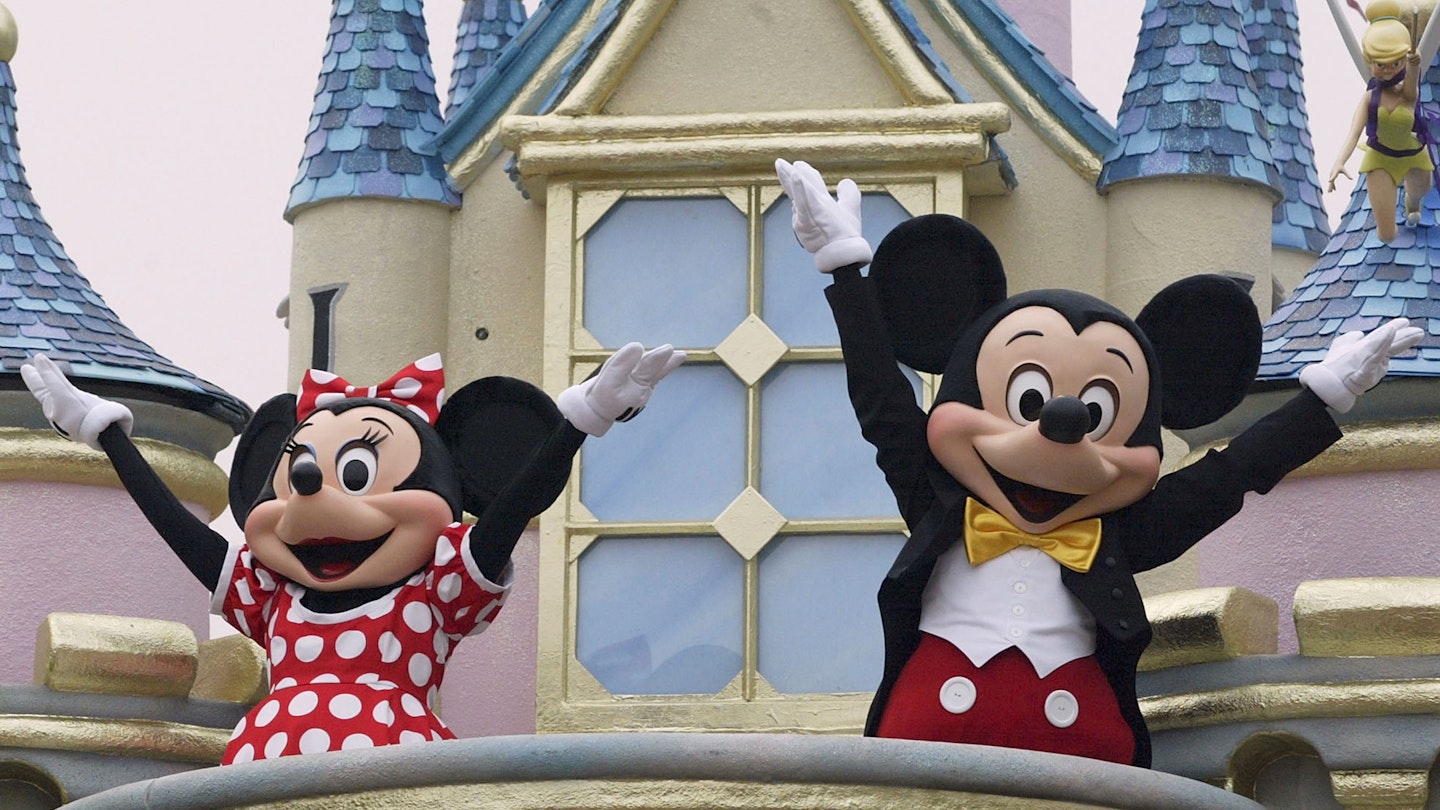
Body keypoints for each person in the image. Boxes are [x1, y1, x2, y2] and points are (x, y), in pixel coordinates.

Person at [1329, 0, 1435, 243]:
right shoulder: (1370, 99)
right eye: (1380, 64)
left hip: (1412, 153)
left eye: (1395, 63)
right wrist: (1339, 162)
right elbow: (1354, 134)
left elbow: (1412, 92)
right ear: (1370, 61)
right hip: (1381, 157)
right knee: (1386, 235)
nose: (1387, 70)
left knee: (1421, 190)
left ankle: (1412, 201)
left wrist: (1413, 67)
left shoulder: (1406, 91)